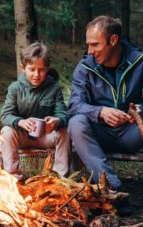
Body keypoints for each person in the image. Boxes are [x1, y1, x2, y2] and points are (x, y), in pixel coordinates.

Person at [68, 16, 143, 214]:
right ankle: (114, 188)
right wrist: (100, 112)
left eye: (95, 45)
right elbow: (74, 105)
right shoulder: (85, 68)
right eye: (88, 45)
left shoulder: (139, 62)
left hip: (131, 133)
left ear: (113, 40)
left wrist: (136, 112)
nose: (90, 51)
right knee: (76, 122)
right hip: (97, 135)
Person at [0, 41, 70, 181]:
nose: (36, 74)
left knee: (65, 132)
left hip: (46, 136)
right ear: (23, 68)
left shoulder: (54, 88)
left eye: (41, 70)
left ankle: (60, 178)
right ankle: (13, 177)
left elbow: (63, 114)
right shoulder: (15, 88)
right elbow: (5, 115)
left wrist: (57, 121)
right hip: (22, 136)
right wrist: (20, 122)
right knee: (6, 131)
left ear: (48, 69)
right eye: (32, 69)